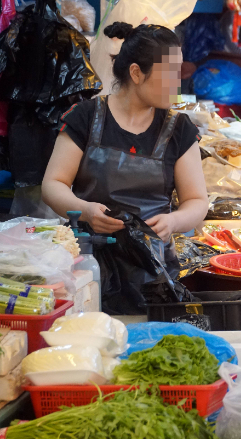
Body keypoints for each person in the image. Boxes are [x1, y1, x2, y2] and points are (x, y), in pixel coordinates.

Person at [42, 22, 208, 314]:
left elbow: (197, 201)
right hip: (89, 266)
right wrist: (86, 211)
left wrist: (174, 222)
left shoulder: (179, 129)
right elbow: (53, 184)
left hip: (154, 275)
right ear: (136, 73)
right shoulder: (85, 117)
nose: (177, 85)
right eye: (169, 74)